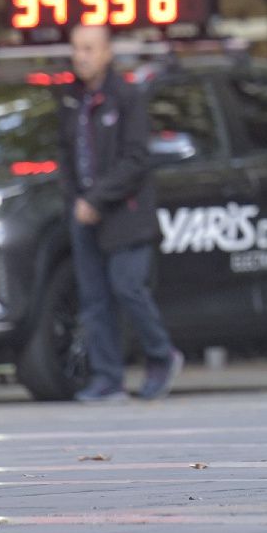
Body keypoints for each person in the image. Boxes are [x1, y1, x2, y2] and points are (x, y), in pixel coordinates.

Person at [57, 24, 181, 402]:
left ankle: (162, 356)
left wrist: (97, 199)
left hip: (124, 213)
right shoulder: (71, 99)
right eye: (77, 48)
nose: (82, 56)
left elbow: (136, 159)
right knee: (94, 298)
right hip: (83, 214)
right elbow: (65, 155)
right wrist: (76, 200)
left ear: (108, 52)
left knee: (128, 287)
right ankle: (108, 377)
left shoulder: (126, 96)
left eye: (90, 48)